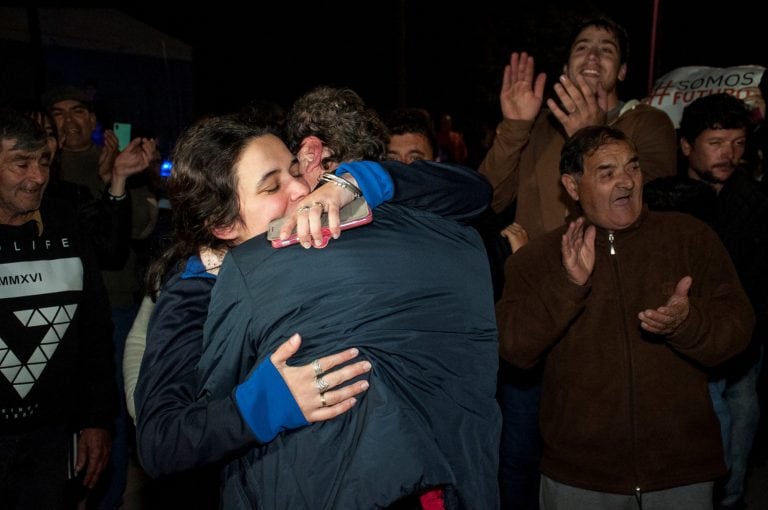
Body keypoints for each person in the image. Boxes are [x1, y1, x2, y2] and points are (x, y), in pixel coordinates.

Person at [131, 98, 495, 507]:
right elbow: (160, 440)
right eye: (272, 186)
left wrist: (357, 182)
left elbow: (475, 194)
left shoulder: (319, 232)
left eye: (294, 171)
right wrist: (264, 405)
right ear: (223, 224)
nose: (301, 190)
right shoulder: (194, 292)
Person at [497, 124, 754, 509]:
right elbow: (514, 348)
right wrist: (567, 287)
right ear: (571, 185)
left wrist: (687, 324)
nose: (627, 182)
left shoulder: (689, 238)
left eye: (632, 167)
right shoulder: (538, 259)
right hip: (580, 478)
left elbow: (737, 331)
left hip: (681, 472)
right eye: (607, 172)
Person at [479, 16, 679, 508]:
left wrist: (593, 136)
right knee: (518, 454)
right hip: (538, 308)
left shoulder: (645, 124)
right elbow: (486, 199)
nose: (592, 57)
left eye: (606, 49)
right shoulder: (542, 131)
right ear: (566, 63)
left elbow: (650, 208)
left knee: (595, 454)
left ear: (624, 69)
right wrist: (516, 126)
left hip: (607, 314)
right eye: (581, 47)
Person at [0, 110, 118, 508]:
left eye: (44, 162)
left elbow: (95, 332)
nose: (37, 176)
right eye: (21, 164)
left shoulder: (67, 224)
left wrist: (96, 419)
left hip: (52, 437)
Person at [676, 93, 768, 510]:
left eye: (738, 142)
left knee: (741, 417)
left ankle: (728, 498)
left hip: (745, 340)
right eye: (716, 142)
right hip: (689, 339)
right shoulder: (667, 199)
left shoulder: (753, 199)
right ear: (686, 145)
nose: (729, 153)